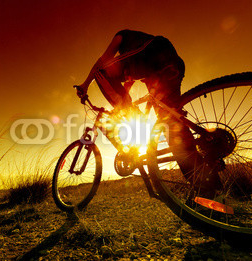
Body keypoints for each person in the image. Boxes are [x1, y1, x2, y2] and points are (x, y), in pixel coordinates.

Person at [77, 29, 221, 195]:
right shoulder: (132, 59)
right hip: (171, 65)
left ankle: (134, 117)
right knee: (171, 125)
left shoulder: (123, 35)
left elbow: (104, 60)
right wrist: (124, 102)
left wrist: (85, 84)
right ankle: (208, 187)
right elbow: (127, 83)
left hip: (153, 56)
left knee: (100, 72)